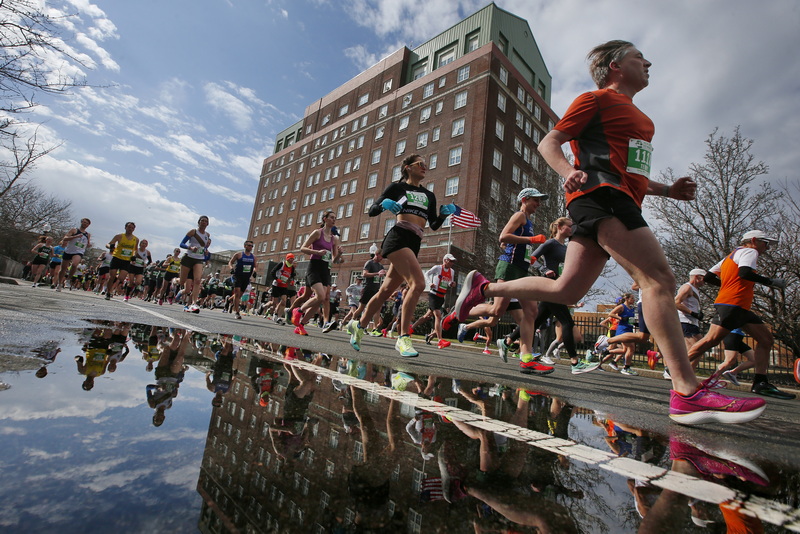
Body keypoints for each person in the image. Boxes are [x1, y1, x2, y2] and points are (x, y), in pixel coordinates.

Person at [453, 40, 765, 424]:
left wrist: (667, 190)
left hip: (619, 198)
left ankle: (485, 289)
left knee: (568, 291)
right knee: (659, 281)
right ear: (615, 66)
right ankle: (686, 391)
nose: (648, 62)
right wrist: (569, 173)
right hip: (600, 196)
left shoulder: (644, 121)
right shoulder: (595, 100)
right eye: (639, 58)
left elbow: (633, 174)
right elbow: (549, 142)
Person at [347, 154, 454, 358]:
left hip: (415, 242)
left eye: (426, 164)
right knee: (418, 284)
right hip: (397, 238)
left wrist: (443, 215)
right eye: (420, 164)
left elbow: (433, 225)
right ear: (407, 167)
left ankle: (358, 326)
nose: (425, 167)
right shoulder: (396, 188)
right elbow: (372, 211)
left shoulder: (429, 195)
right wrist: (384, 204)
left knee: (385, 292)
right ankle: (403, 337)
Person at [451, 187, 553, 374]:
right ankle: (456, 313)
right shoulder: (519, 216)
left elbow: (508, 241)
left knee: (531, 312)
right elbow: (503, 236)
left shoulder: (528, 221)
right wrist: (531, 240)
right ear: (525, 199)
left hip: (522, 269)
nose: (538, 204)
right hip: (509, 267)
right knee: (496, 311)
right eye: (536, 200)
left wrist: (527, 253)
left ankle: (526, 359)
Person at [687, 230, 795, 400]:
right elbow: (745, 273)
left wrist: (728, 284)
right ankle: (675, 367)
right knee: (711, 340)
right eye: (765, 243)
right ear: (753, 240)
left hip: (740, 307)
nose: (767, 247)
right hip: (733, 304)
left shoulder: (731, 255)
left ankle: (760, 383)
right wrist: (771, 282)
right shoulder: (750, 251)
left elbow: (708, 277)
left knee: (766, 340)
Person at [529, 217, 601, 374]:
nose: (572, 229)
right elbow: (531, 258)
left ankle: (508, 340)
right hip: (550, 286)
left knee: (536, 321)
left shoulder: (566, 247)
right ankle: (575, 362)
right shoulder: (550, 243)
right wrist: (544, 270)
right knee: (567, 322)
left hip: (559, 286)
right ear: (560, 227)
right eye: (570, 226)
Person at [293, 211, 341, 335]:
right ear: (325, 219)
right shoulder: (317, 233)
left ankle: (301, 325)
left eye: (335, 218)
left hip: (325, 269)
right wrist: (317, 252)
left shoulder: (334, 239)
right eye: (331, 217)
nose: (334, 219)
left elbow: (334, 260)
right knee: (320, 296)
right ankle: (298, 311)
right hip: (314, 266)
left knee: (322, 299)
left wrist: (339, 254)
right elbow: (302, 248)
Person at [413, 253, 457, 349]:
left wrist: (452, 284)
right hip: (433, 294)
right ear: (445, 260)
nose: (452, 263)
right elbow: (426, 274)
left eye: (453, 261)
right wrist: (430, 283)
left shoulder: (452, 271)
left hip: (441, 296)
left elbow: (449, 282)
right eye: (451, 261)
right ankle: (440, 340)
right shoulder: (437, 268)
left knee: (427, 316)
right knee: (438, 315)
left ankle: (411, 328)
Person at [179, 215, 211, 313]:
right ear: (199, 222)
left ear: (208, 224)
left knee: (197, 281)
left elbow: (203, 247)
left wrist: (205, 251)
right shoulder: (193, 232)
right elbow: (181, 244)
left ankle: (193, 303)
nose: (204, 222)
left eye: (206, 221)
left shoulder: (207, 235)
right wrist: (190, 248)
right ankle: (177, 283)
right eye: (202, 220)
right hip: (188, 258)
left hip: (198, 259)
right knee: (182, 282)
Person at [350, 251, 386, 334]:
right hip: (368, 288)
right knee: (361, 308)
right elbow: (364, 274)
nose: (382, 259)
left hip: (376, 289)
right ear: (377, 254)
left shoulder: (380, 266)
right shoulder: (369, 263)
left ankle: (375, 329)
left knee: (377, 309)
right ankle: (351, 323)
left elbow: (383, 274)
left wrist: (384, 274)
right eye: (381, 257)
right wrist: (377, 273)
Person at [676, 268, 706, 365]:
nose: (705, 282)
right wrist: (693, 313)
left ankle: (689, 376)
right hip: (685, 321)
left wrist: (698, 313)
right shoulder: (687, 287)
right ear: (697, 277)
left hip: (692, 322)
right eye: (704, 279)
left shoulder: (695, 290)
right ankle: (679, 373)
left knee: (700, 348)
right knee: (694, 350)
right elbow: (676, 303)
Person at [105, 221, 139, 300]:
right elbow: (108, 244)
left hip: (126, 261)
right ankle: (108, 292)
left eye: (132, 228)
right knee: (112, 276)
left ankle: (112, 289)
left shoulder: (136, 239)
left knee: (121, 278)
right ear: (125, 227)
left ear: (134, 229)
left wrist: (134, 256)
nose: (130, 229)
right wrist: (110, 246)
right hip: (116, 258)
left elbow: (135, 249)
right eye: (129, 227)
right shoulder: (119, 236)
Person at [59, 218, 92, 290]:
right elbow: (65, 238)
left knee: (74, 264)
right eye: (84, 222)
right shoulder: (74, 230)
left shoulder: (87, 234)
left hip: (79, 251)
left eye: (86, 223)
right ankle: (59, 283)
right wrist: (75, 236)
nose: (84, 224)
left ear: (88, 225)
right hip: (69, 251)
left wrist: (89, 245)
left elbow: (87, 243)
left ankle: (68, 280)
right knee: (63, 269)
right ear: (81, 222)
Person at [227, 240, 257, 320]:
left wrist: (254, 271)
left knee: (239, 295)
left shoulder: (253, 257)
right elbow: (230, 262)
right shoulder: (238, 254)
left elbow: (255, 266)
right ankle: (237, 312)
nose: (250, 247)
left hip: (246, 278)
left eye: (251, 246)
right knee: (237, 294)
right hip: (238, 276)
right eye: (249, 245)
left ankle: (230, 301)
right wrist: (231, 268)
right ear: (245, 246)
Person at [267, 252, 296, 323]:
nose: (292, 260)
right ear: (287, 259)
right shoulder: (281, 264)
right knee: (275, 302)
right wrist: (277, 279)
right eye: (290, 258)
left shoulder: (292, 267)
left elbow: (292, 276)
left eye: (293, 259)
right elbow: (272, 272)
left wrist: (291, 281)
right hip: (276, 285)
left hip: (284, 286)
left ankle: (279, 317)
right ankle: (274, 313)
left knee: (283, 301)